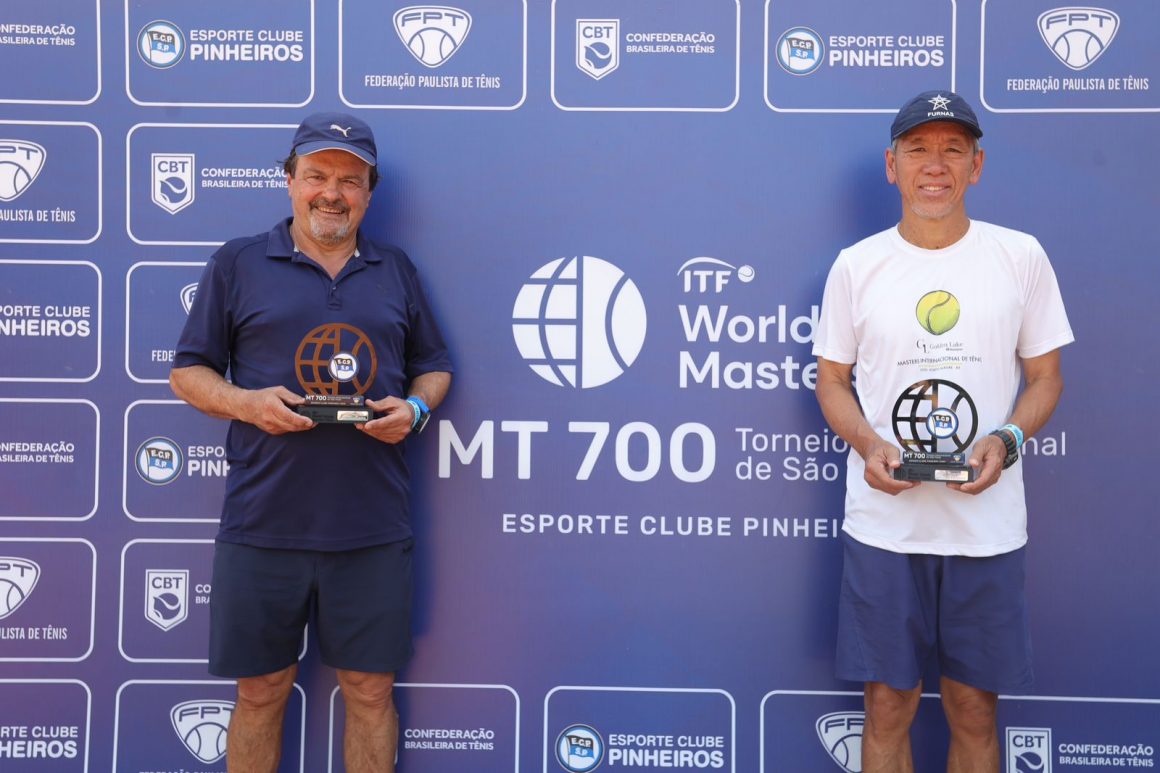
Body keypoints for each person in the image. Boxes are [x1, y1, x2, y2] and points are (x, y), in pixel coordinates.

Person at [170, 112, 452, 773]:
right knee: (260, 691)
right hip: (262, 524)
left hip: (371, 527)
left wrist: (414, 409)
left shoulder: (396, 269)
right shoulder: (238, 262)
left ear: (369, 193)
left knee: (370, 692)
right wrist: (247, 404)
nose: (332, 193)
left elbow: (435, 367)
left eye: (350, 181)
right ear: (290, 181)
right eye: (318, 175)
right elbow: (188, 373)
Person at [812, 91, 1073, 772]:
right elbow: (831, 381)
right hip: (885, 528)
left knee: (974, 708)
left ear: (976, 166)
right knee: (886, 706)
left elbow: (1046, 378)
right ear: (891, 165)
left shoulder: (1020, 256)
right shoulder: (856, 265)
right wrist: (870, 445)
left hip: (986, 527)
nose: (936, 165)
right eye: (918, 149)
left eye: (953, 149)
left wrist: (1005, 441)